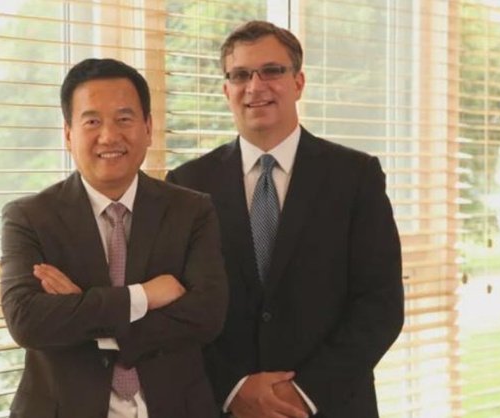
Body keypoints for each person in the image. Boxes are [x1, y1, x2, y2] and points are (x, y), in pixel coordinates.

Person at [166, 20, 404, 418]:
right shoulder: (187, 184)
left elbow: (380, 305)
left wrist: (302, 394)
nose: (255, 86)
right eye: (240, 75)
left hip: (331, 406)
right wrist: (233, 389)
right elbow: (177, 309)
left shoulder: (355, 177)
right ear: (226, 90)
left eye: (271, 71)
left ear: (298, 82)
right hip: (226, 407)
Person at [0, 58, 227, 418]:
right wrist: (143, 296)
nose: (109, 136)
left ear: (148, 128)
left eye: (124, 119)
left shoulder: (192, 210)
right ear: (68, 134)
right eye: (92, 121)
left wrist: (84, 311)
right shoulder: (29, 217)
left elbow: (207, 315)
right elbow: (27, 321)